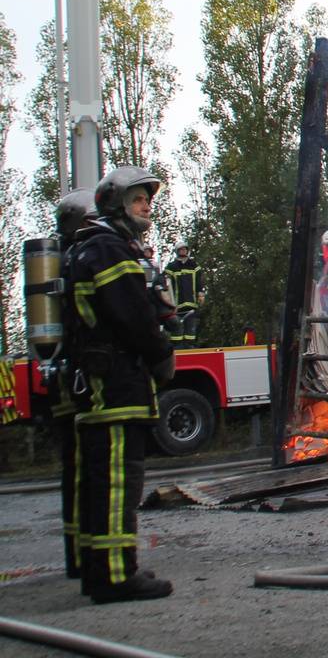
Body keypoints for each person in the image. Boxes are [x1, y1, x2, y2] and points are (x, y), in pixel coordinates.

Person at [63, 165, 175, 604]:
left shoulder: (93, 247)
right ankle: (114, 576)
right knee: (116, 481)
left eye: (148, 199)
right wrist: (161, 353)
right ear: (115, 205)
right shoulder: (109, 250)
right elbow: (133, 317)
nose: (146, 206)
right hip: (116, 383)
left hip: (102, 383)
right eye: (137, 200)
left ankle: (99, 569)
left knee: (98, 481)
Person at [47, 188, 99, 582]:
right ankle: (97, 561)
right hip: (85, 379)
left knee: (74, 469)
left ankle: (76, 556)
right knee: (94, 469)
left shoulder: (56, 263)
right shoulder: (84, 259)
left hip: (63, 378)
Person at [164, 242, 204, 348]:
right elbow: (167, 285)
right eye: (181, 250)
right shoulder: (171, 267)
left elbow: (199, 282)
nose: (183, 251)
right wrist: (168, 302)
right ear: (177, 251)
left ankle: (189, 346)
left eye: (184, 249)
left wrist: (200, 294)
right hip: (176, 306)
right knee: (176, 331)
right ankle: (177, 347)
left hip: (191, 304)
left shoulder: (194, 265)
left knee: (190, 330)